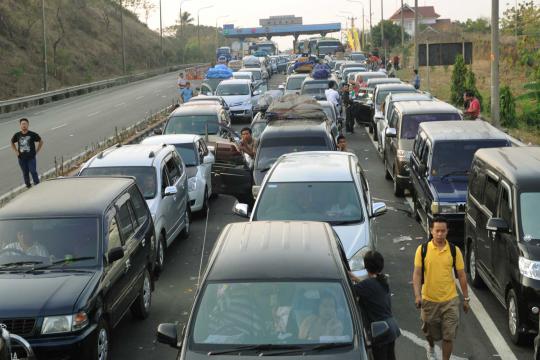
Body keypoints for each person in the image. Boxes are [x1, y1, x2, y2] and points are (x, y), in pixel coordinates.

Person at [412, 217, 469, 360]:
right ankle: (430, 346)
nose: (439, 234)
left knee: (448, 337)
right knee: (429, 333)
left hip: (450, 301)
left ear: (447, 231)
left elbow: (461, 276)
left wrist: (466, 299)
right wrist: (418, 296)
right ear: (431, 231)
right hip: (428, 300)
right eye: (437, 231)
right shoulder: (422, 250)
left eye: (443, 231)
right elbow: (417, 274)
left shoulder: (454, 251)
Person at [350, 251, 400, 360]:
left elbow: (347, 292)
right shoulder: (382, 280)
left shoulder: (367, 285)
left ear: (365, 266)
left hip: (381, 331)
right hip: (391, 328)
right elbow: (371, 287)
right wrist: (356, 279)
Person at [11, 118, 43, 189]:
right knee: (25, 173)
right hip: (21, 158)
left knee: (33, 171)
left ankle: (37, 185)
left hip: (31, 157)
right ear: (20, 125)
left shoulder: (32, 134)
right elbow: (12, 142)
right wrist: (16, 151)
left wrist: (37, 151)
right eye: (22, 124)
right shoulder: (17, 135)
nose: (24, 125)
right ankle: (28, 186)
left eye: (25, 124)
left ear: (28, 125)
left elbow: (41, 141)